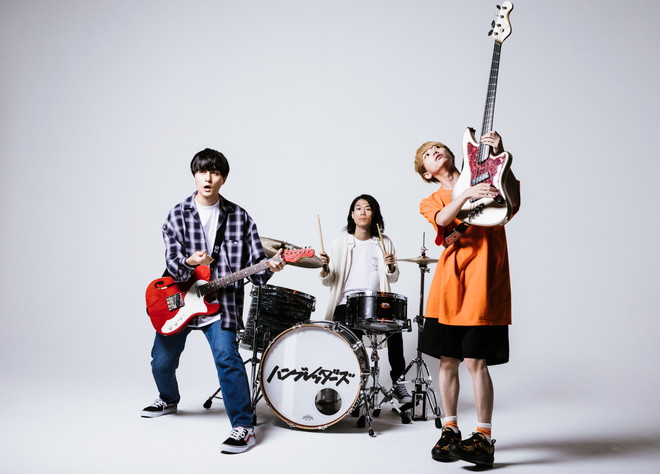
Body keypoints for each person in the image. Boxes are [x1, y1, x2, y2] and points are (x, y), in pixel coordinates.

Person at [141, 148, 284, 454]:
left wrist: (270, 267)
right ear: (194, 176)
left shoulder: (240, 217)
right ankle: (168, 399)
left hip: (222, 305)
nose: (208, 178)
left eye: (215, 173)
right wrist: (191, 262)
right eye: (202, 172)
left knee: (228, 360)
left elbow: (257, 270)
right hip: (181, 299)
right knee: (161, 362)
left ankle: (243, 427)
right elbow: (172, 262)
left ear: (224, 179)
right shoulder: (178, 214)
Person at [414, 132, 518, 468]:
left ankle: (484, 438)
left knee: (476, 361)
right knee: (447, 361)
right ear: (427, 173)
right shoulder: (430, 200)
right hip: (448, 286)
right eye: (427, 154)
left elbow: (513, 201)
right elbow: (443, 222)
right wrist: (467, 195)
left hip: (483, 282)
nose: (434, 151)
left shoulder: (487, 177)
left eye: (438, 147)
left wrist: (500, 154)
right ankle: (450, 430)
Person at [319, 194, 412, 405]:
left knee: (396, 330)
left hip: (376, 302)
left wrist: (391, 266)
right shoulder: (339, 243)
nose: (362, 212)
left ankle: (398, 384)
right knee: (348, 342)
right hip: (347, 303)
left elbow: (393, 278)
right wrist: (324, 267)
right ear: (352, 215)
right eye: (358, 208)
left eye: (368, 208)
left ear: (374, 214)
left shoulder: (384, 242)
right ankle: (349, 388)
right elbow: (328, 281)